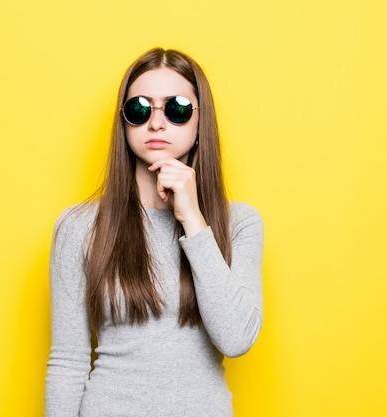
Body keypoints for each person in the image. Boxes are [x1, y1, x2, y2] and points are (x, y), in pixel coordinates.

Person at [45, 47, 264, 417]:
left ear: (199, 122)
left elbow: (237, 338)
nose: (157, 123)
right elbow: (68, 361)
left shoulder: (240, 223)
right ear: (123, 122)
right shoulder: (79, 226)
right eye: (140, 109)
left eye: (176, 108)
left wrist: (193, 220)